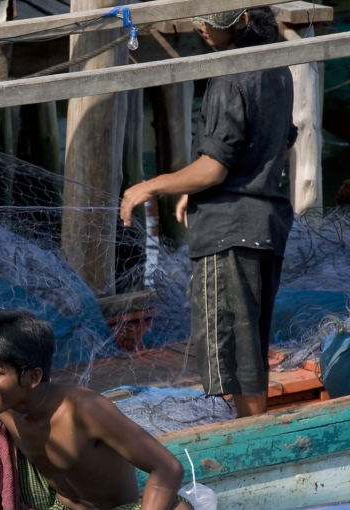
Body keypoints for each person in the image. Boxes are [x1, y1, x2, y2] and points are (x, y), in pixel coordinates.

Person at [120, 7, 297, 417]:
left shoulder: (229, 77)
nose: (199, 26)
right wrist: (195, 187)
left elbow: (214, 167)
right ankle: (255, 429)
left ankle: (252, 436)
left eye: (209, 20)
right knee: (251, 346)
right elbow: (282, 143)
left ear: (242, 20)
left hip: (229, 233)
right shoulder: (277, 67)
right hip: (266, 225)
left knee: (235, 358)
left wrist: (149, 186)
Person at [0, 311, 192, 510]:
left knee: (181, 508)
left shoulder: (85, 409)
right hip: (49, 504)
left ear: (33, 377)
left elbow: (168, 468)